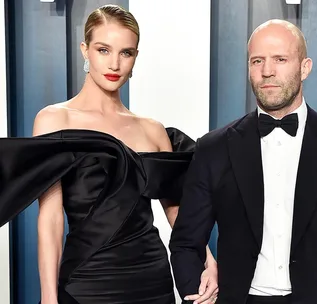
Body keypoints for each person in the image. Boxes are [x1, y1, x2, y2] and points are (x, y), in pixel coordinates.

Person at [0, 4, 218, 304]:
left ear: (135, 58)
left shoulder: (151, 130)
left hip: (152, 278)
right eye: (104, 50)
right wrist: (48, 297)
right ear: (85, 50)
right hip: (87, 279)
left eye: (125, 53)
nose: (114, 64)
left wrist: (208, 261)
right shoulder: (54, 120)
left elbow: (176, 212)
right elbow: (50, 220)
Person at [169, 19, 317, 304]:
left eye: (280, 59)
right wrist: (195, 293)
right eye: (257, 60)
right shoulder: (214, 147)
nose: (267, 71)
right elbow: (185, 242)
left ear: (305, 67)